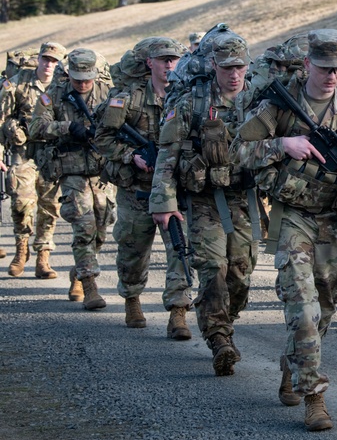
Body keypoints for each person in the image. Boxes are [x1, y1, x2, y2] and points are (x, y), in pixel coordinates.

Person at [232, 29, 337, 432]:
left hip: (335, 219)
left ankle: (295, 360)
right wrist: (282, 145)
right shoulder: (278, 102)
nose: (332, 76)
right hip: (295, 216)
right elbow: (239, 150)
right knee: (302, 306)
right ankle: (314, 397)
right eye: (324, 68)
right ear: (307, 65)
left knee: (327, 302)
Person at [150, 31, 259, 375]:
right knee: (213, 268)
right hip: (203, 199)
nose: (234, 74)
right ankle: (219, 339)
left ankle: (225, 319)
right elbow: (167, 153)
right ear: (213, 65)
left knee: (240, 272)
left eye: (240, 66)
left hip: (242, 197)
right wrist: (164, 201)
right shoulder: (192, 103)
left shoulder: (260, 101)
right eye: (227, 66)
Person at [93, 37, 192, 335]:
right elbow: (101, 139)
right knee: (133, 250)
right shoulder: (128, 98)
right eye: (163, 60)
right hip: (137, 190)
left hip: (174, 190)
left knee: (180, 247)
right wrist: (131, 156)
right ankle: (132, 298)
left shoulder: (186, 97)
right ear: (150, 63)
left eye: (174, 59)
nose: (170, 65)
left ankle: (178, 311)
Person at [28, 49, 114, 310]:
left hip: (101, 171)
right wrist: (66, 127)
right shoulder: (53, 94)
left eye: (87, 79)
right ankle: (89, 286)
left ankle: (80, 269)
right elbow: (36, 128)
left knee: (101, 226)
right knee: (83, 225)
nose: (83, 84)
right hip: (71, 169)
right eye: (78, 79)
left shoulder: (107, 92)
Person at [0, 42, 65, 280]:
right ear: (38, 59)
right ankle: (21, 248)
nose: (49, 65)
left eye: (54, 61)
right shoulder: (17, 83)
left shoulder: (63, 86)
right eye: (46, 59)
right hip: (24, 151)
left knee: (50, 206)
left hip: (52, 154)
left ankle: (43, 257)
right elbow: (1, 119)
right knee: (20, 200)